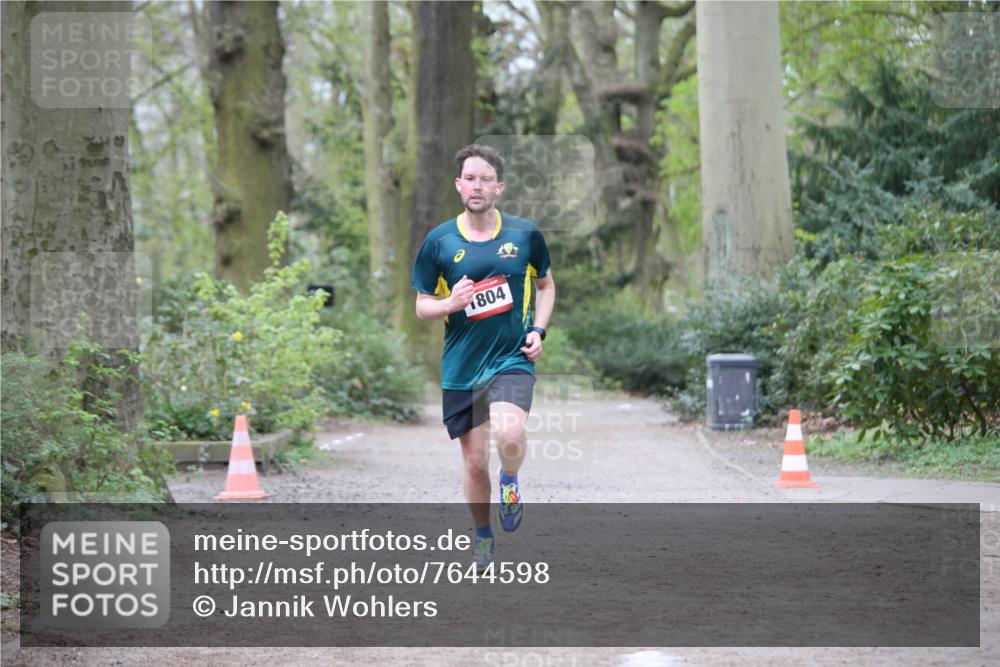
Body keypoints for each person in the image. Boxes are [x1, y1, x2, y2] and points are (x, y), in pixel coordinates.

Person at [412, 144, 556, 571]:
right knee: (475, 462)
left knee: (510, 436)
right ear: (459, 185)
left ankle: (510, 483)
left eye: (486, 179)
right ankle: (483, 538)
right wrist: (449, 303)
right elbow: (422, 305)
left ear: (499, 187)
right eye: (470, 178)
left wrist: (538, 329)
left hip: (511, 357)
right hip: (462, 366)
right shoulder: (439, 241)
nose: (477, 186)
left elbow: (546, 286)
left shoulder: (524, 235)